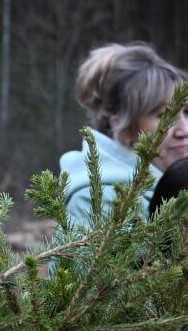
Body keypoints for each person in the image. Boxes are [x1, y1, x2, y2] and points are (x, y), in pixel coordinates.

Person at [60, 43, 188, 229]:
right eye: (164, 115)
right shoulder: (97, 203)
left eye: (187, 112)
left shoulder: (176, 187)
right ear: (122, 126)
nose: (184, 131)